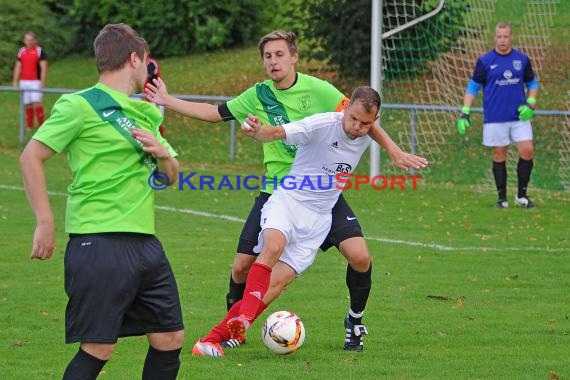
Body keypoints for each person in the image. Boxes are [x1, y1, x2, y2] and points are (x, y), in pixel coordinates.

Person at [146, 30, 427, 353]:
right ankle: (233, 328)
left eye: (280, 54)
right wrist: (167, 100)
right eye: (268, 56)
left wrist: (393, 150)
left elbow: (363, 115)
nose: (273, 61)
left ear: (293, 56)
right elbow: (218, 114)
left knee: (360, 256)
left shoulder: (323, 93)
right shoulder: (260, 95)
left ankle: (354, 321)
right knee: (242, 266)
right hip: (280, 190)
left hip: (324, 198)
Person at [19, 23, 184, 379]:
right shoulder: (79, 105)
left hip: (145, 243)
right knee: (99, 346)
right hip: (98, 240)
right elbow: (30, 157)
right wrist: (45, 222)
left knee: (170, 337)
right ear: (134, 59)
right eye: (146, 62)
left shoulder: (146, 113)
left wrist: (163, 155)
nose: (148, 70)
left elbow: (171, 177)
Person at [197, 86, 381, 357]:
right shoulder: (321, 124)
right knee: (272, 247)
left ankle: (209, 341)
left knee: (275, 286)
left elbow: (375, 131)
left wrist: (395, 151)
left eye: (365, 124)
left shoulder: (366, 132)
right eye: (352, 118)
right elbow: (278, 133)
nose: (356, 127)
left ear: (374, 121)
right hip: (288, 201)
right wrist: (258, 131)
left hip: (318, 221)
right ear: (346, 108)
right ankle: (243, 319)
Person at [456, 21, 539, 209]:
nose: (502, 40)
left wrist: (531, 104)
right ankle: (502, 199)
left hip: (519, 117)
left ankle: (522, 196)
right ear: (495, 38)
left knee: (527, 151)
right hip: (494, 117)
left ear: (511, 37)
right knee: (499, 154)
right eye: (499, 37)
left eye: (506, 36)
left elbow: (533, 85)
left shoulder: (522, 59)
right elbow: (473, 87)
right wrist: (465, 112)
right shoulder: (485, 61)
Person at [12, 31, 48, 129]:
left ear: (35, 40)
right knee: (27, 104)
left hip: (36, 81)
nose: (29, 42)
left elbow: (44, 67)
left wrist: (42, 82)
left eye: (31, 40)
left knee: (37, 103)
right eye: (27, 40)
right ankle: (29, 127)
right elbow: (18, 66)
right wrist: (15, 80)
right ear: (24, 41)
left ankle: (42, 126)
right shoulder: (21, 51)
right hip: (24, 81)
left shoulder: (40, 51)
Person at [146, 57, 166, 136]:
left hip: (156, 94)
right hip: (146, 95)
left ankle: (159, 136)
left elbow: (152, 74)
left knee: (158, 117)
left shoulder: (151, 62)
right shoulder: (138, 63)